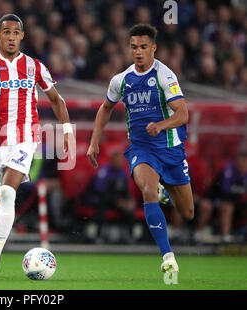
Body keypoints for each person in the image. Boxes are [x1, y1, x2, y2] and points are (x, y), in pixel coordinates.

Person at [0, 14, 75, 276]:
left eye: (16, 32)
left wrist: (67, 130)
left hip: (24, 140)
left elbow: (56, 100)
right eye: (6, 32)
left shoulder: (35, 67)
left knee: (8, 194)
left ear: (22, 36)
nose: (11, 37)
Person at [87, 24, 194, 274]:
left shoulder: (165, 76)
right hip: (141, 149)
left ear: (153, 49)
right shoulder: (121, 80)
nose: (138, 52)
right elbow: (105, 108)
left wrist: (161, 125)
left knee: (187, 212)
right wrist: (94, 142)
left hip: (171, 150)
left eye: (144, 47)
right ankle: (168, 256)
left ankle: (163, 189)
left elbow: (183, 114)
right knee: (147, 190)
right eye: (134, 47)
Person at [82, 149, 136, 243]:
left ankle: (129, 237)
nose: (120, 163)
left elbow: (125, 191)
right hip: (99, 198)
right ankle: (98, 236)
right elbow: (100, 191)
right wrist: (117, 202)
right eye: (118, 160)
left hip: (116, 201)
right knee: (101, 209)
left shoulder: (123, 173)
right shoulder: (104, 172)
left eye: (121, 160)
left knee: (130, 210)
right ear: (112, 160)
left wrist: (129, 201)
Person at [194, 149, 247, 244]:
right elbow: (225, 191)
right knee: (223, 206)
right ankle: (199, 234)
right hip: (218, 199)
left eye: (245, 161)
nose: (243, 164)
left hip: (236, 201)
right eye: (241, 161)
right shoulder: (228, 171)